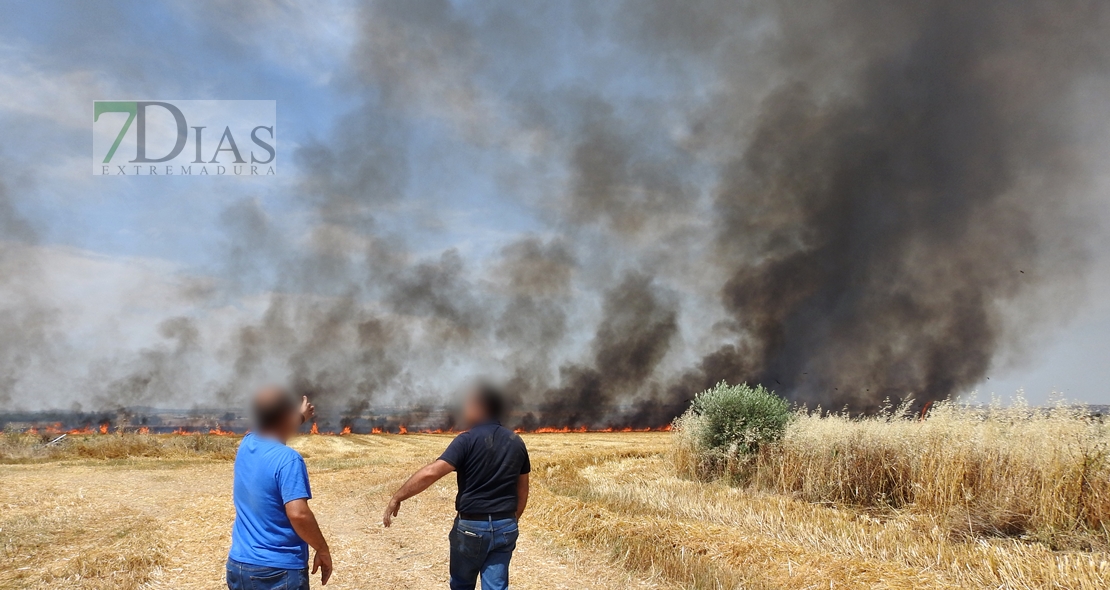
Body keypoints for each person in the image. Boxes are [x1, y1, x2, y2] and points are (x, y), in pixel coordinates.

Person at [383, 383, 530, 590]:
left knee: (462, 585)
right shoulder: (516, 442)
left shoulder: (466, 440)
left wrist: (397, 497)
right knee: (496, 587)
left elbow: (431, 472)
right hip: (505, 524)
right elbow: (522, 490)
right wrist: (511, 520)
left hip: (471, 527)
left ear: (481, 407)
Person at [227, 386, 333, 589]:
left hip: (239, 566)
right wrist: (322, 549)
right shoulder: (288, 460)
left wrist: (299, 417)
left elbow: (272, 427)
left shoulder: (247, 444)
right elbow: (298, 514)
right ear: (285, 416)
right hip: (276, 572)